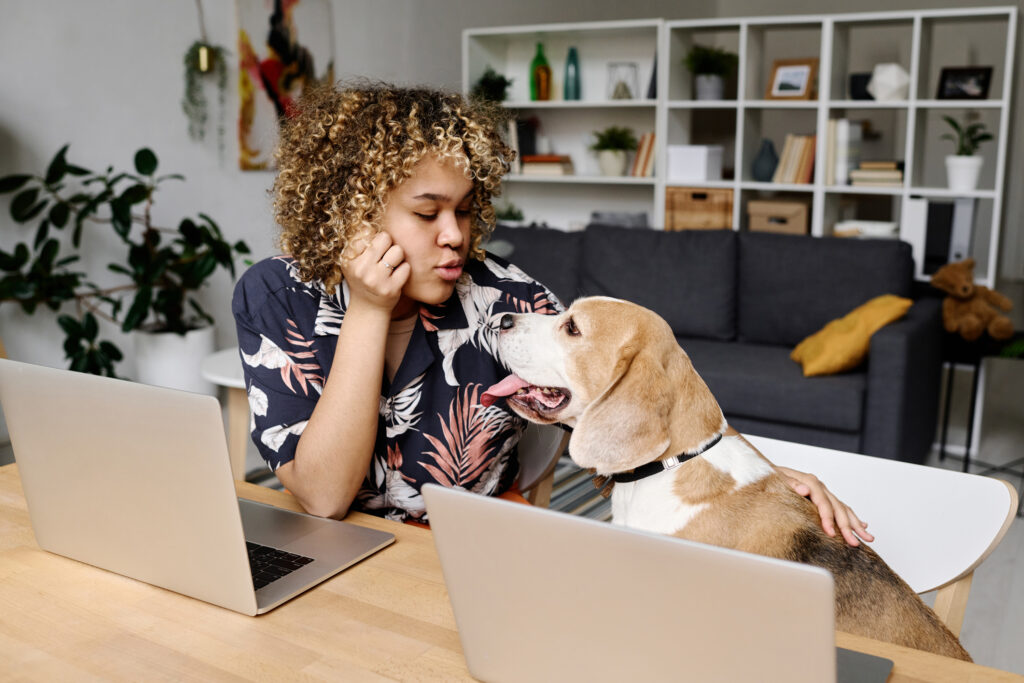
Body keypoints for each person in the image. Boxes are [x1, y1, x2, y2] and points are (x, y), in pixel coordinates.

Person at [232, 81, 872, 546]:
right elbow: (321, 496)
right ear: (353, 213)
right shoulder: (277, 299)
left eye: (464, 208)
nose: (455, 234)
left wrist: (758, 476)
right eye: (428, 214)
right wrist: (370, 311)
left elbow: (641, 408)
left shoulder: (511, 305)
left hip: (471, 559)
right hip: (327, 555)